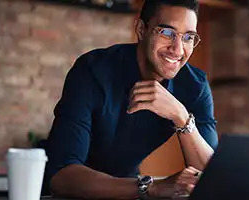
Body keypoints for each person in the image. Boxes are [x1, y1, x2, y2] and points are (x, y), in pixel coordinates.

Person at [42, 0, 218, 199]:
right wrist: (152, 187)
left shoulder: (195, 86)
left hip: (129, 189)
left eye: (188, 37)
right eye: (167, 33)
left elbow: (213, 177)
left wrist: (181, 117)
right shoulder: (92, 70)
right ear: (141, 29)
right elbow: (61, 176)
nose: (178, 49)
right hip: (72, 193)